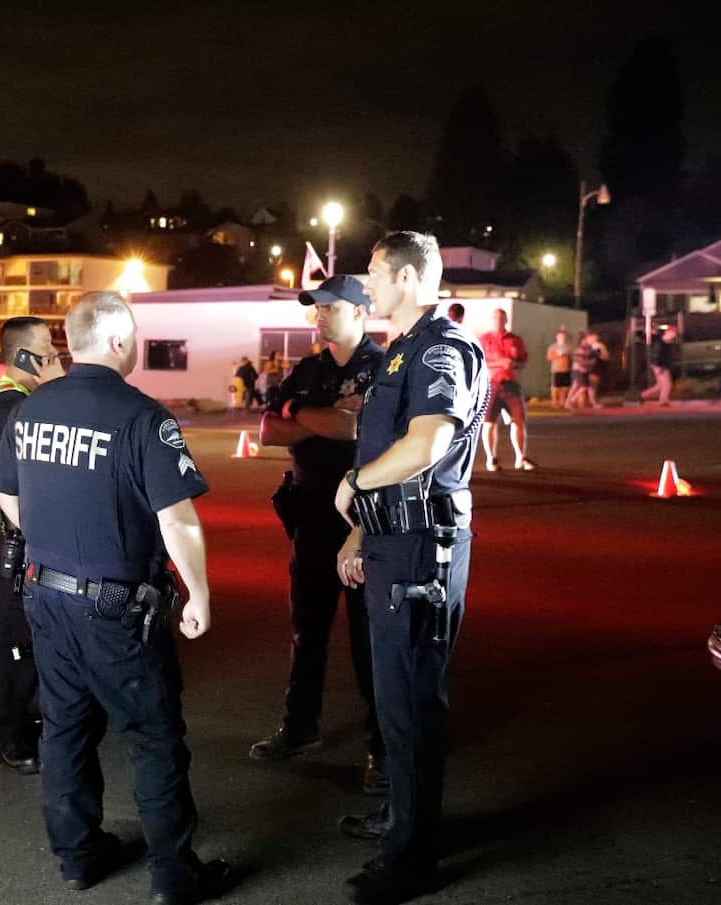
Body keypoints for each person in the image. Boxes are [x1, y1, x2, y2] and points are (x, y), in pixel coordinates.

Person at [0, 291, 234, 905]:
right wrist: (197, 593)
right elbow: (177, 520)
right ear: (121, 341)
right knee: (152, 735)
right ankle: (175, 877)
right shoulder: (144, 417)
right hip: (116, 609)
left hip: (46, 597)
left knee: (65, 728)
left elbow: (8, 498)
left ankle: (78, 857)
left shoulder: (30, 409)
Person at [333, 232, 488, 904]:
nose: (365, 285)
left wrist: (354, 485)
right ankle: (406, 817)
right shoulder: (403, 351)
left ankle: (411, 858)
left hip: (423, 548)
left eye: (373, 273)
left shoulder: (441, 347)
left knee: (411, 702)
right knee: (395, 701)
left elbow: (429, 442)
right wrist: (358, 538)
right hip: (393, 541)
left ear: (406, 276)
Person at [249, 274, 388, 797]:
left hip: (364, 519)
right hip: (310, 517)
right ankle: (300, 726)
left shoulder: (381, 368)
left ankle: (383, 743)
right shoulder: (308, 370)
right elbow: (267, 431)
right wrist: (321, 417)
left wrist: (298, 416)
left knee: (368, 638)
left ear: (358, 312)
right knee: (306, 628)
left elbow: (358, 431)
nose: (319, 315)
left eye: (330, 307)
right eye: (316, 307)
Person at [0, 316, 65, 773]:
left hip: (29, 533)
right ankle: (7, 733)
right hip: (9, 537)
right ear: (26, 356)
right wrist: (61, 387)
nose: (56, 354)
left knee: (33, 637)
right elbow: (34, 459)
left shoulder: (27, 398)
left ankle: (33, 719)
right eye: (48, 346)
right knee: (15, 641)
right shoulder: (8, 402)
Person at [478, 308, 534, 471]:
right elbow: (479, 362)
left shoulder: (515, 340)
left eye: (502, 318)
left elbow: (523, 361)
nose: (499, 320)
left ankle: (520, 458)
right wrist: (499, 363)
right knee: (489, 423)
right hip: (492, 385)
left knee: (518, 421)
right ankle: (491, 459)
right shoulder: (484, 339)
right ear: (491, 320)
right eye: (496, 318)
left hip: (511, 385)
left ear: (506, 320)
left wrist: (513, 364)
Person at [565, 330, 608, 409]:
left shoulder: (593, 346)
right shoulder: (584, 346)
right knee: (583, 386)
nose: (595, 339)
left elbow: (604, 356)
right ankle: (571, 401)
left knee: (584, 386)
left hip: (587, 369)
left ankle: (570, 402)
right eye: (593, 338)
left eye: (596, 338)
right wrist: (588, 362)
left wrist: (599, 352)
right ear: (588, 338)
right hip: (580, 369)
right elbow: (580, 358)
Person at [640, 324, 678, 406]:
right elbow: (658, 355)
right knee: (667, 384)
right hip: (660, 365)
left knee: (660, 385)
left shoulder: (666, 341)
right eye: (673, 333)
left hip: (660, 365)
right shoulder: (661, 341)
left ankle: (642, 396)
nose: (674, 335)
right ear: (668, 333)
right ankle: (663, 401)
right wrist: (661, 367)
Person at [546, 328, 572, 408]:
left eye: (564, 336)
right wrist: (559, 356)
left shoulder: (568, 347)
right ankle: (554, 402)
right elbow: (549, 357)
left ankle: (562, 401)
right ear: (557, 337)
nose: (562, 338)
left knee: (564, 387)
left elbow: (571, 357)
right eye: (560, 336)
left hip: (566, 369)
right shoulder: (553, 347)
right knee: (555, 387)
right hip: (556, 369)